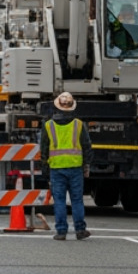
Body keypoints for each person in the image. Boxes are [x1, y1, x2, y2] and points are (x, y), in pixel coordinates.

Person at [42, 92, 92, 240]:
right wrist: (87, 165)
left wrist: (45, 168)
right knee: (77, 200)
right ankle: (80, 230)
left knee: (59, 201)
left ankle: (61, 231)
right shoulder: (79, 124)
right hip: (76, 167)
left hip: (56, 168)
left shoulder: (48, 125)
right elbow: (86, 146)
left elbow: (44, 149)